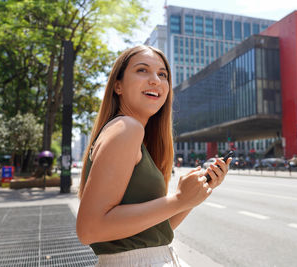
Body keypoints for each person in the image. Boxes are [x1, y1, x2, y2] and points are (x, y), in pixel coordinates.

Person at [76, 45, 232, 267]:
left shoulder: (134, 135)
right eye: (142, 70)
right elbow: (90, 229)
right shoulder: (127, 127)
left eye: (162, 74)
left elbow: (152, 233)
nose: (155, 80)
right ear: (117, 85)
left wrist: (192, 197)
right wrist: (178, 198)